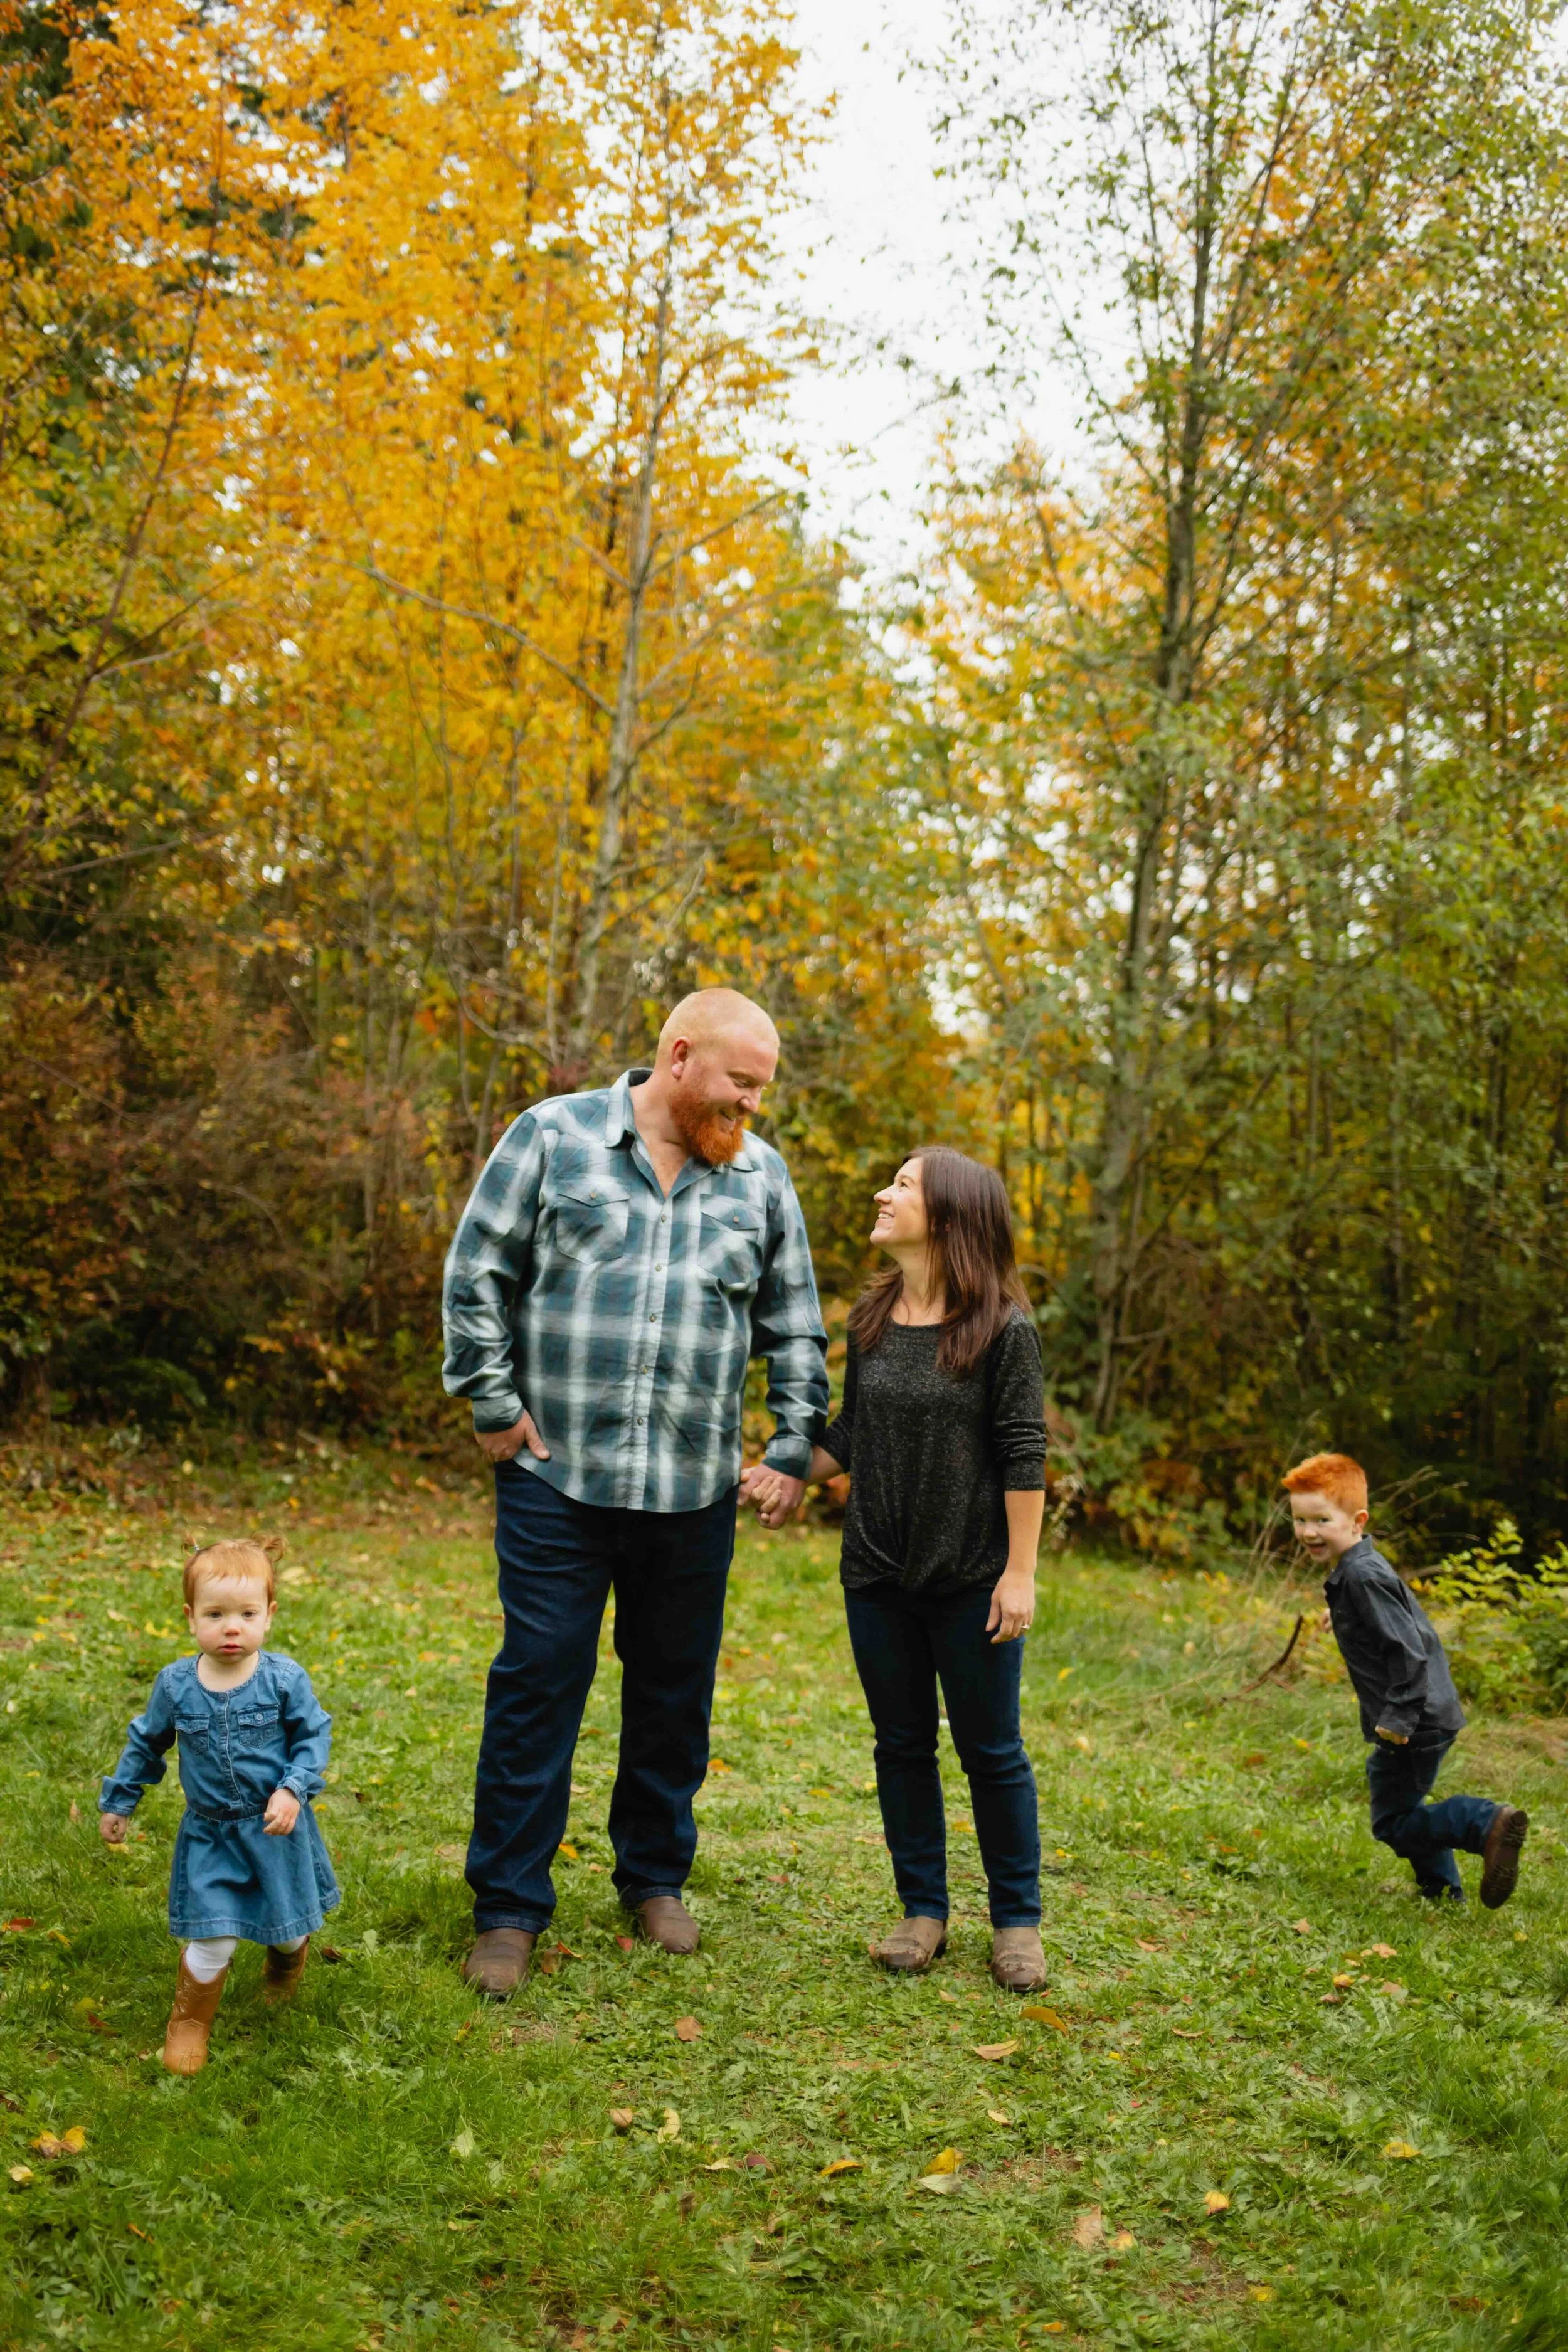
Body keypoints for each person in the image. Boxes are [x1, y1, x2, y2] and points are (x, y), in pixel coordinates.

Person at [442, 987, 829, 1996]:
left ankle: (654, 1878)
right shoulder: (552, 1135)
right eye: (741, 1081)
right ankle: (509, 1908)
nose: (752, 1104)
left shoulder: (759, 1175)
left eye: (763, 1088)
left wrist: (794, 1443)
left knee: (673, 1694)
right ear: (680, 1053)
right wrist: (491, 1400)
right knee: (538, 1685)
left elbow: (795, 1320)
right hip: (557, 1479)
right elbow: (478, 1271)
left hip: (692, 1489)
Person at [752, 1146, 1049, 1991]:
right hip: (878, 1575)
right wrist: (784, 1471)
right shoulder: (873, 1315)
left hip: (971, 1574)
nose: (883, 1194)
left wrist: (1019, 1573)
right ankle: (922, 1910)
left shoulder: (1003, 1329)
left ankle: (1016, 1923)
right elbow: (853, 1432)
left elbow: (1023, 1453)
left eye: (904, 1186)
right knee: (902, 1746)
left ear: (949, 1217)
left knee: (992, 1752)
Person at [98, 1538, 338, 2074]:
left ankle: (285, 1966)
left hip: (275, 1829)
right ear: (191, 1618)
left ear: (269, 1615)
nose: (232, 1628)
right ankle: (189, 2023)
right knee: (213, 1935)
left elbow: (312, 1737)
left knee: (288, 1927)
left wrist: (292, 1788)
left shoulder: (282, 1680)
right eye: (215, 1615)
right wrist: (121, 1800)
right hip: (210, 1834)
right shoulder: (176, 1686)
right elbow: (146, 1744)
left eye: (247, 1614)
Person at [1284, 1452, 1528, 1906]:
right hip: (1426, 1714)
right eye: (1300, 1520)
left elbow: (1407, 1650)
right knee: (1398, 1801)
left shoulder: (1361, 1576)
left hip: (1415, 1719)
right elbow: (1391, 1618)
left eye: (1321, 1520)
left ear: (1358, 1521)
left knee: (1393, 1822)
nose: (1308, 1532)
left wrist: (1398, 1717)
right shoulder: (1357, 1570)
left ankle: (1485, 1824)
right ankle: (1442, 1890)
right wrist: (1341, 1616)